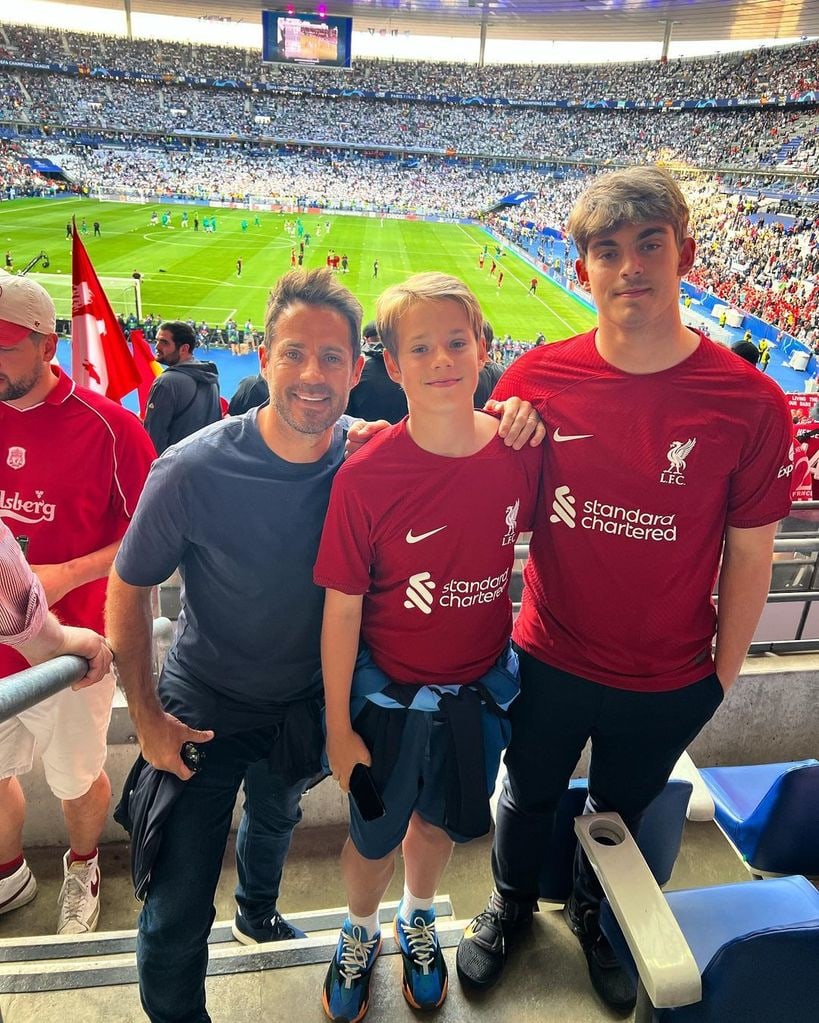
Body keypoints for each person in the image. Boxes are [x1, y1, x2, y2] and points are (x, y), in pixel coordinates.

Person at [456, 166, 794, 1012]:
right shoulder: (533, 381)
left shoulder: (749, 403)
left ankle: (595, 911)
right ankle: (508, 904)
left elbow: (749, 554)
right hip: (549, 653)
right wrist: (500, 440)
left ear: (684, 253)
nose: (630, 266)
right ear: (584, 270)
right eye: (608, 250)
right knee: (526, 792)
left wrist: (719, 676)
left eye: (649, 245)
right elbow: (481, 513)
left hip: (670, 673)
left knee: (619, 808)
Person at [316, 272, 541, 1022]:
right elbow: (341, 610)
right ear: (392, 364)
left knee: (439, 823)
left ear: (483, 347)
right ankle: (358, 928)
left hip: (473, 690)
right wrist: (338, 726)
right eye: (420, 347)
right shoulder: (366, 475)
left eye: (455, 341)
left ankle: (418, 917)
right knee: (373, 834)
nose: (441, 359)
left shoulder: (518, 450)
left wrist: (526, 414)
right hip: (385, 699)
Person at [0, 271, 154, 935]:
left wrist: (65, 571)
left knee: (76, 780)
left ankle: (84, 864)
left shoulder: (112, 429)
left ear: (45, 345)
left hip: (74, 651)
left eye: (4, 345)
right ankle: (8, 872)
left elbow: (152, 537)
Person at [0, 522, 112, 688]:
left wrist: (69, 573)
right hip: (61, 650)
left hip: (70, 662)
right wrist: (54, 641)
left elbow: (150, 538)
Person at [143, 320, 221, 455]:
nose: (157, 346)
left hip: (175, 468)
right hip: (206, 462)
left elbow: (153, 437)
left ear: (184, 348)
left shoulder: (166, 382)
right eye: (157, 341)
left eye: (164, 342)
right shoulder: (211, 376)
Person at [345, 321, 408, 425]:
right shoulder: (409, 363)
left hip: (363, 434)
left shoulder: (357, 367)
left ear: (366, 339)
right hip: (404, 434)